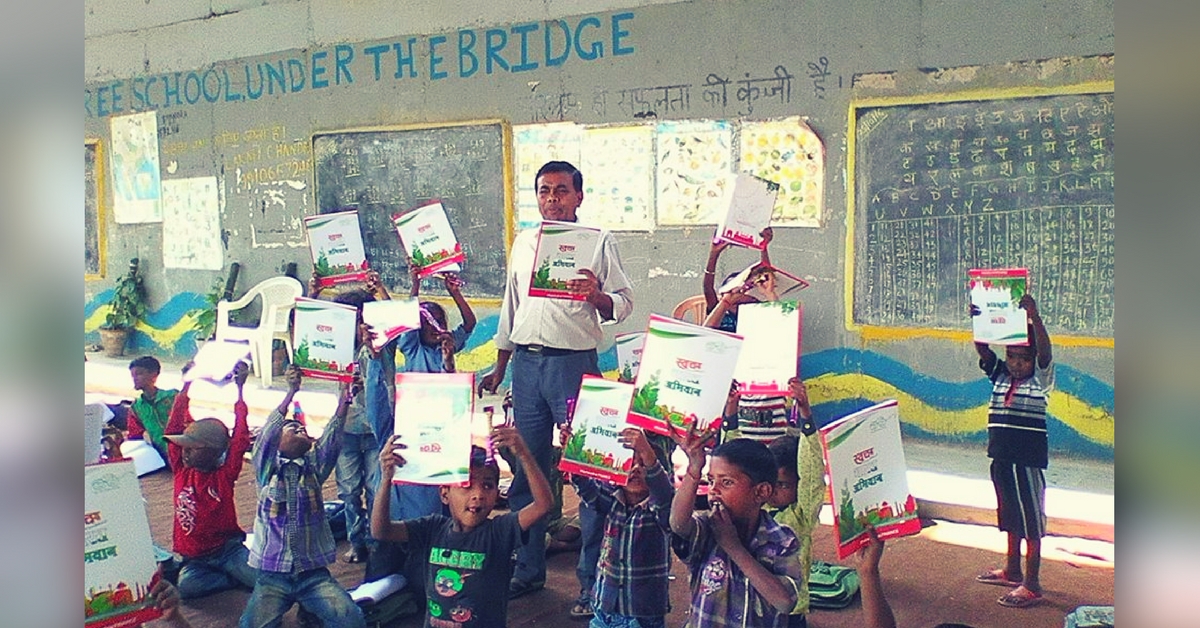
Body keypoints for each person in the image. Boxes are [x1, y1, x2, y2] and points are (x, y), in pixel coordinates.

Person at [477, 160, 635, 612]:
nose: (552, 199)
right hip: (527, 366)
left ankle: (590, 584)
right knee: (527, 466)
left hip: (573, 365)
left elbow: (624, 302)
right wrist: (500, 364)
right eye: (544, 191)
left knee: (588, 471)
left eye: (562, 190)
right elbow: (512, 307)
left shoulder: (598, 242)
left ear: (579, 196)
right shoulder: (525, 243)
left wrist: (598, 296)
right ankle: (528, 570)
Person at [370, 427, 554, 628]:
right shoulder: (432, 528)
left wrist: (524, 455)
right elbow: (381, 531)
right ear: (444, 493)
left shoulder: (500, 531)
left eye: (487, 485)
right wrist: (386, 478)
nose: (478, 495)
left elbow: (543, 505)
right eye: (466, 486)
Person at [240, 366, 366, 628]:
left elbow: (332, 435)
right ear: (278, 442)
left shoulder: (314, 468)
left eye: (301, 427)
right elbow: (267, 434)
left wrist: (345, 398)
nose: (299, 428)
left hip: (312, 575)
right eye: (291, 428)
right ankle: (310, 613)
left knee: (352, 620)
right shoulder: (267, 469)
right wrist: (291, 391)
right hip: (272, 576)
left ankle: (310, 610)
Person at [670, 426, 803, 628]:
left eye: (727, 482)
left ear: (761, 492)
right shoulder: (706, 528)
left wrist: (733, 547)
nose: (714, 490)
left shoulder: (783, 540)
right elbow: (678, 524)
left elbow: (785, 602)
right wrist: (694, 470)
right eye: (711, 480)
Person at [971, 293, 1053, 609]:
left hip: (1027, 462)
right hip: (1002, 458)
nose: (1017, 364)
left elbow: (1045, 352)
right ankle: (1012, 569)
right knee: (1010, 516)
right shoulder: (1000, 375)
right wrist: (979, 318)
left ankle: (1031, 583)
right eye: (1013, 356)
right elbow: (983, 349)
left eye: (1024, 358)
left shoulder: (1041, 380)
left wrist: (1035, 317)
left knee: (1031, 521)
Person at [562, 425, 674, 628]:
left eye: (644, 465)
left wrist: (647, 451)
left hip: (641, 615)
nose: (636, 470)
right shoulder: (612, 502)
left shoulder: (659, 512)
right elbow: (588, 490)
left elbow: (663, 493)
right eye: (629, 463)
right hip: (604, 605)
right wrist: (573, 453)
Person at [161, 360, 256, 599]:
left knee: (261, 581)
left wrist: (240, 390)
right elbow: (173, 426)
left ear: (212, 452)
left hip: (228, 551)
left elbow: (240, 439)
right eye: (184, 448)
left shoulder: (224, 475)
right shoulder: (182, 469)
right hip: (195, 559)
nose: (185, 452)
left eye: (192, 449)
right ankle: (230, 579)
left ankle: (235, 575)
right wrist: (186, 386)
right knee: (188, 588)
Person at [764, 377, 824, 628]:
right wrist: (731, 415)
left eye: (784, 485)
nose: (773, 491)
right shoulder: (756, 508)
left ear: (799, 486)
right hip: (758, 604)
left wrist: (806, 416)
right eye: (771, 482)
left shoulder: (801, 514)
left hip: (791, 611)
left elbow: (811, 472)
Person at [127, 355, 180, 469]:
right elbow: (135, 437)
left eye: (139, 374)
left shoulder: (173, 397)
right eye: (133, 375)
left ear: (154, 375)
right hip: (162, 459)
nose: (135, 378)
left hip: (183, 453)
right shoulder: (136, 407)